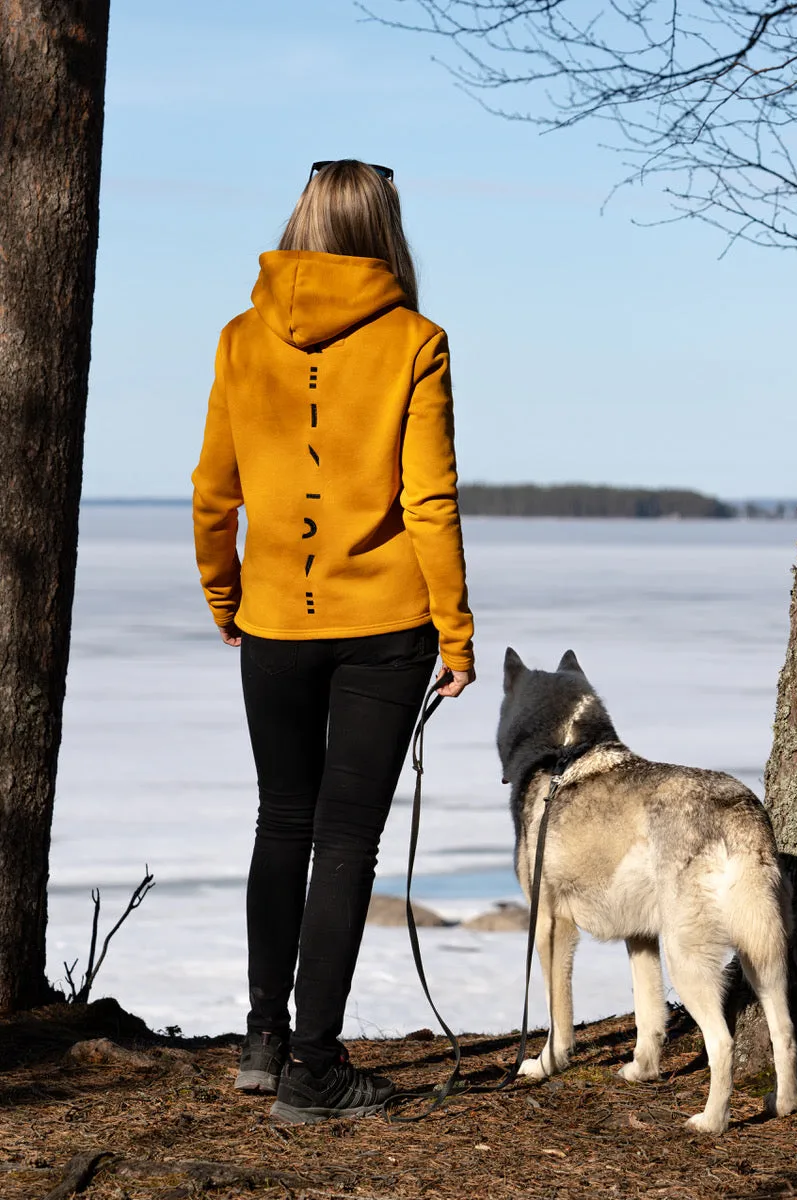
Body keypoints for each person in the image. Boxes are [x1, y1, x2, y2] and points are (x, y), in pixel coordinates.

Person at [192, 159, 475, 1124]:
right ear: (386, 230)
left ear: (302, 219)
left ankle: (265, 1041)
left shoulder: (242, 338)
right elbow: (429, 500)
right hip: (383, 627)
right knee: (346, 836)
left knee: (284, 820)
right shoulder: (415, 341)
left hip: (273, 618)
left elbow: (212, 492)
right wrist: (458, 629)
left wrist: (225, 596)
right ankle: (315, 1069)